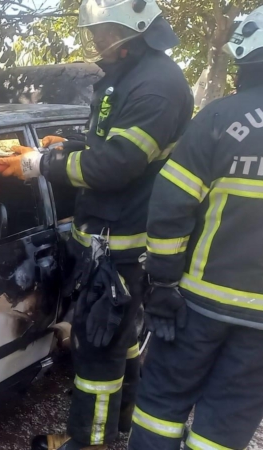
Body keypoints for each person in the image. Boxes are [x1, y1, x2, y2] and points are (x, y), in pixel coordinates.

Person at [0, 0, 193, 448]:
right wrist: (70, 145)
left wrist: (40, 164)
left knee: (97, 350)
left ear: (135, 28)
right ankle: (122, 417)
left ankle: (88, 441)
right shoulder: (131, 75)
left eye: (105, 30)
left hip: (121, 244)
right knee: (122, 338)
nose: (97, 39)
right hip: (108, 237)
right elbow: (111, 142)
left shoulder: (157, 86)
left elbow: (115, 165)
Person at [128, 8, 263, 450]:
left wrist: (163, 284)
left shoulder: (220, 119)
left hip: (197, 305)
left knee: (161, 405)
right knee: (228, 421)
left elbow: (170, 208)